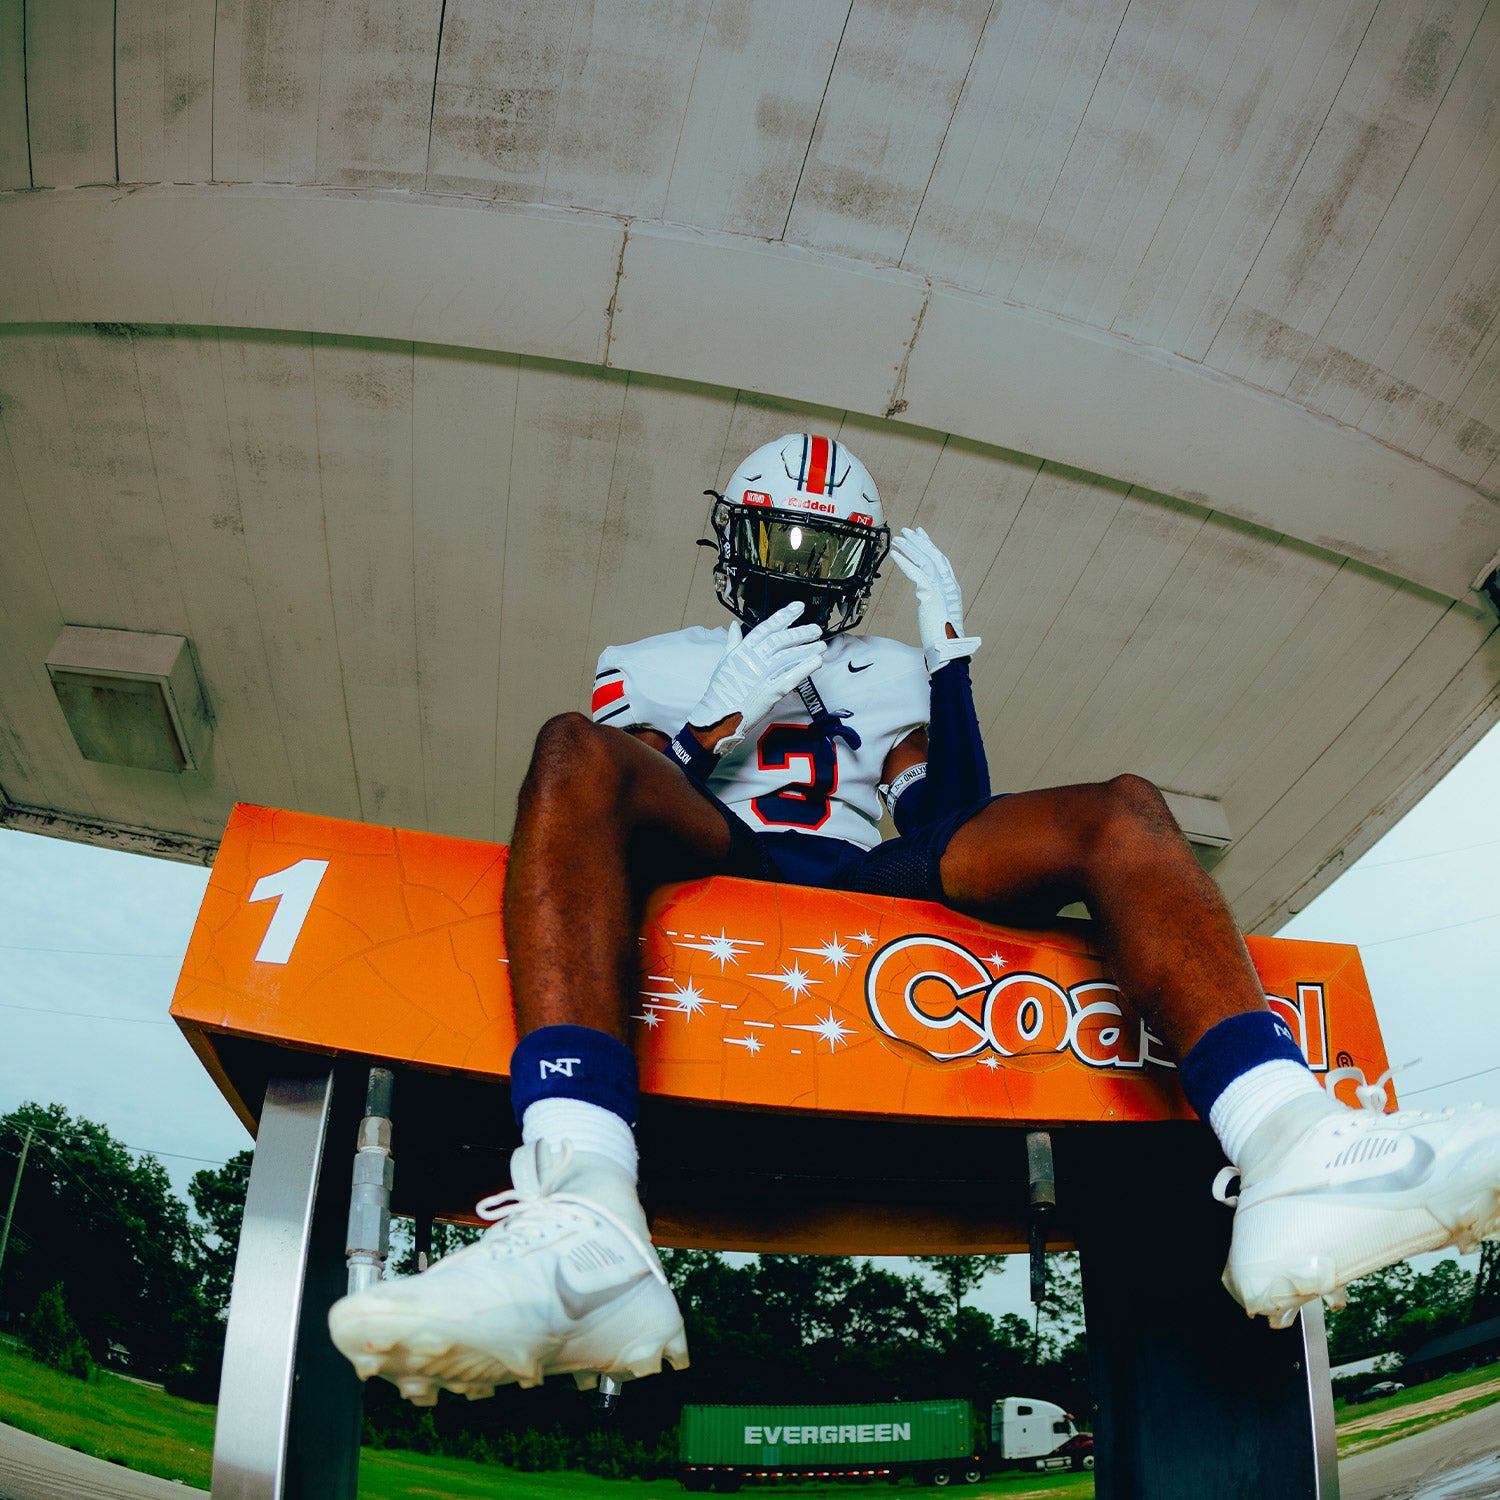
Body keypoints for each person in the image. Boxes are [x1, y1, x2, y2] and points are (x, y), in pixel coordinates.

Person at [329, 432, 1500, 1405]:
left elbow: (947, 824)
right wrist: (707, 726)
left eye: (824, 547)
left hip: (873, 876)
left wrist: (947, 671)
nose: (797, 568)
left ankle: (1291, 1137)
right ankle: (583, 1200)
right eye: (777, 538)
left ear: (863, 563)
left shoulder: (888, 668)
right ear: (732, 538)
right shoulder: (654, 661)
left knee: (1124, 811)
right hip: (724, 853)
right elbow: (611, 799)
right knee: (569, 749)